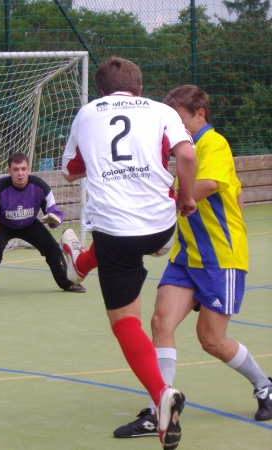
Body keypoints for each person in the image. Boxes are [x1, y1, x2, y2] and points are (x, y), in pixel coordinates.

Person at [113, 85, 272, 439]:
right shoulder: (184, 153)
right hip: (186, 257)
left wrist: (156, 208)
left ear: (200, 114)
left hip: (220, 259)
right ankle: (158, 410)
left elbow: (209, 185)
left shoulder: (213, 143)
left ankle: (265, 386)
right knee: (160, 322)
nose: (176, 126)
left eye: (181, 119)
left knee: (211, 340)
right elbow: (233, 192)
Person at [61, 56, 197, 450]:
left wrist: (99, 161)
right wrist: (186, 197)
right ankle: (81, 265)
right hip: (160, 225)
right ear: (138, 87)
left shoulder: (88, 113)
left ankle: (161, 393)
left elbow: (70, 171)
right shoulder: (161, 110)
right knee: (136, 239)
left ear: (101, 90)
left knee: (125, 322)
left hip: (116, 231)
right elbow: (187, 157)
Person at [0, 152, 86, 298]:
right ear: (9, 171)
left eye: (23, 169)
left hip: (29, 223)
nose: (20, 173)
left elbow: (54, 212)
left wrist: (54, 219)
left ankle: (67, 283)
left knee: (52, 247)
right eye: (16, 169)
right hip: (4, 225)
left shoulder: (41, 187)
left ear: (29, 169)